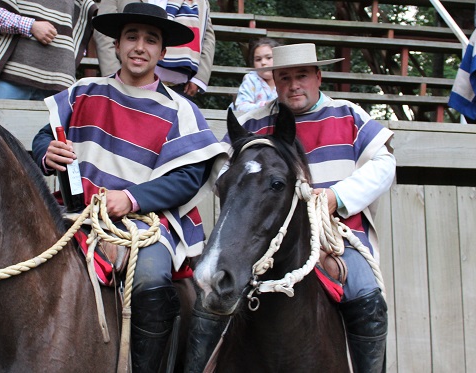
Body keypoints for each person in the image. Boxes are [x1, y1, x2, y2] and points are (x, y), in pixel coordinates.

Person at [31, 3, 227, 372]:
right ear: (117, 45)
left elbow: (188, 178)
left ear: (162, 52)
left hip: (147, 224)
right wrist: (47, 153)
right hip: (76, 214)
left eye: (150, 40)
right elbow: (46, 136)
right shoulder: (85, 90)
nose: (140, 47)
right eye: (131, 37)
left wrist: (132, 198)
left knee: (151, 281)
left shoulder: (182, 110)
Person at [186, 43, 395, 373]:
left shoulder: (349, 114)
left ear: (318, 76)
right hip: (261, 239)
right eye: (285, 78)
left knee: (365, 294)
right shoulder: (253, 122)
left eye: (302, 76)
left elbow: (384, 165)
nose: (294, 85)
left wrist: (335, 197)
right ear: (274, 81)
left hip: (336, 237)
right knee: (210, 295)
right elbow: (224, 171)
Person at [93, 0, 216, 101]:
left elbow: (206, 35)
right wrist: (114, 75)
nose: (140, 47)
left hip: (178, 87)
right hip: (125, 83)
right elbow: (103, 34)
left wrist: (198, 78)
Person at [0, 0, 97, 100]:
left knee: (53, 131)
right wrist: (31, 26)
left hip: (56, 80)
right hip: (11, 76)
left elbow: (79, 21)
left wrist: (66, 56)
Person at [231, 37, 280, 112]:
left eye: (269, 58)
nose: (263, 62)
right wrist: (265, 106)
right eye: (258, 59)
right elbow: (241, 107)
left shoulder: (285, 79)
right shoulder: (251, 79)